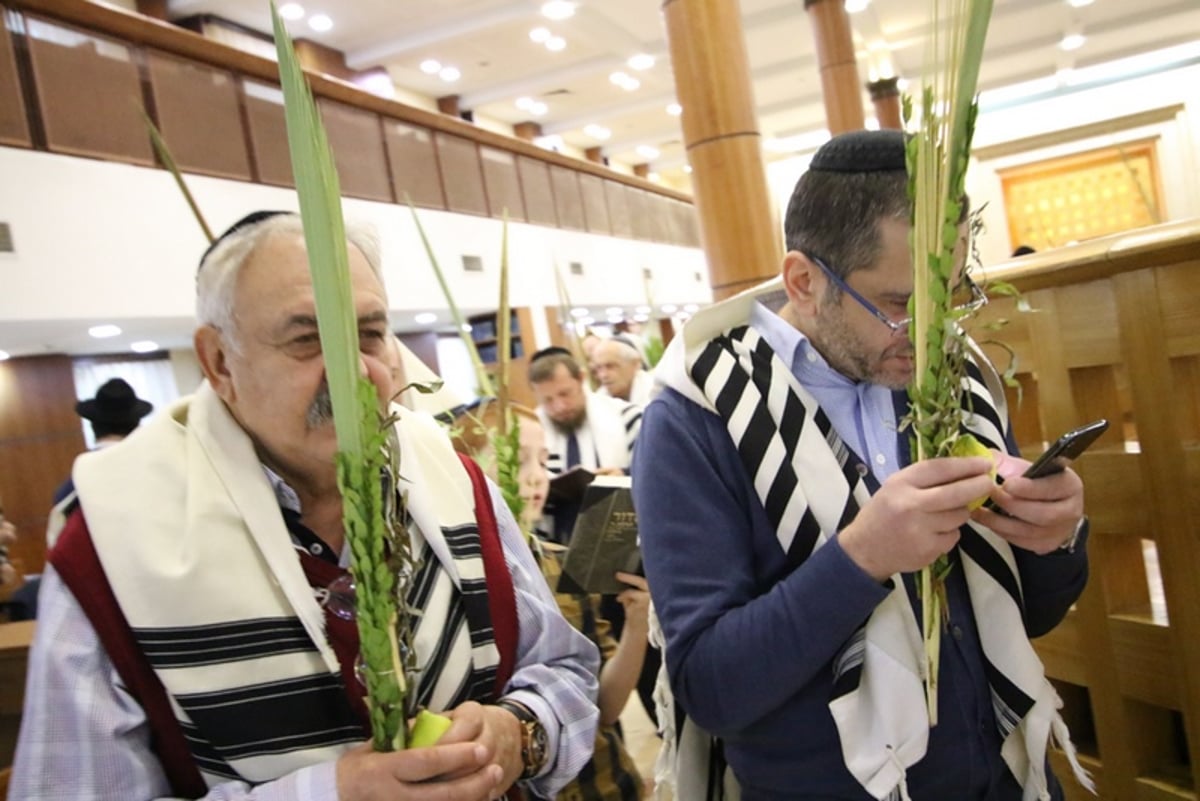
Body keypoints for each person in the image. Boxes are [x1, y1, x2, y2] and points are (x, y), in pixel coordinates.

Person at [11, 211, 599, 801]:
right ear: (218, 362)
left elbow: (565, 671)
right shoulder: (111, 544)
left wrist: (518, 732)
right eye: (306, 340)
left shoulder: (452, 479)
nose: (355, 374)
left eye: (369, 335)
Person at [632, 130, 1091, 801]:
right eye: (904, 305)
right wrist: (861, 556)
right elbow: (712, 687)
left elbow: (1033, 613)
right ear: (805, 280)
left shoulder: (958, 379)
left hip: (1007, 775)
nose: (935, 334)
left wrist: (1055, 538)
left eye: (953, 294)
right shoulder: (696, 418)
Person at [450, 399, 651, 799]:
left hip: (603, 783)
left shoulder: (560, 566)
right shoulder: (453, 581)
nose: (535, 478)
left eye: (543, 462)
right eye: (517, 460)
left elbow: (604, 708)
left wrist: (639, 622)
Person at [527, 347, 641, 543]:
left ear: (581, 379)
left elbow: (656, 473)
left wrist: (623, 474)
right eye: (548, 400)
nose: (559, 406)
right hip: (558, 542)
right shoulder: (531, 431)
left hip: (625, 535)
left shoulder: (627, 417)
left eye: (565, 394)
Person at [46, 377, 155, 547]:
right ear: (137, 426)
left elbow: (59, 547)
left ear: (93, 426)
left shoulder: (74, 485)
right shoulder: (157, 473)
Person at [593, 337, 655, 407]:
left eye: (610, 366)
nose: (603, 375)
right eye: (598, 368)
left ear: (635, 364)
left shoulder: (655, 393)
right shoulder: (597, 402)